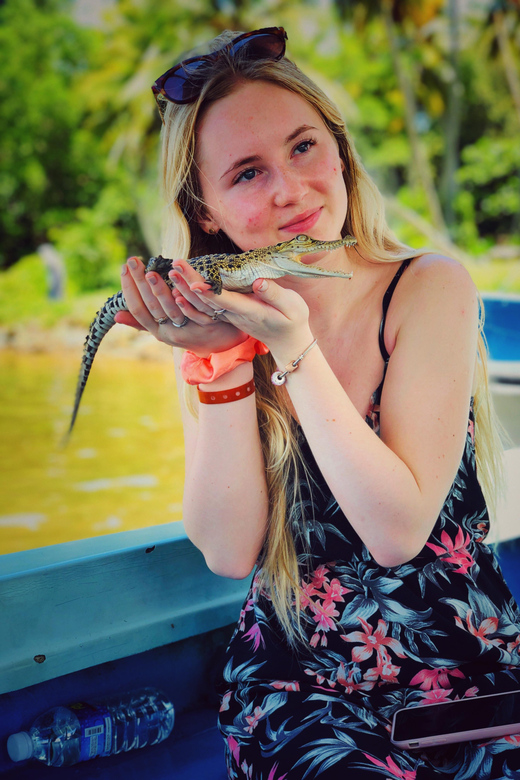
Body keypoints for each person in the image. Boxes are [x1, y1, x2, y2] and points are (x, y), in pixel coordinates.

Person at [115, 27, 520, 779]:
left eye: (304, 147)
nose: (290, 190)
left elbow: (397, 531)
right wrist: (228, 361)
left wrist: (295, 351)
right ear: (207, 213)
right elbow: (231, 552)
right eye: (246, 173)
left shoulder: (427, 286)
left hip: (468, 675)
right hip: (304, 688)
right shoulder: (218, 321)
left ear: (339, 150)